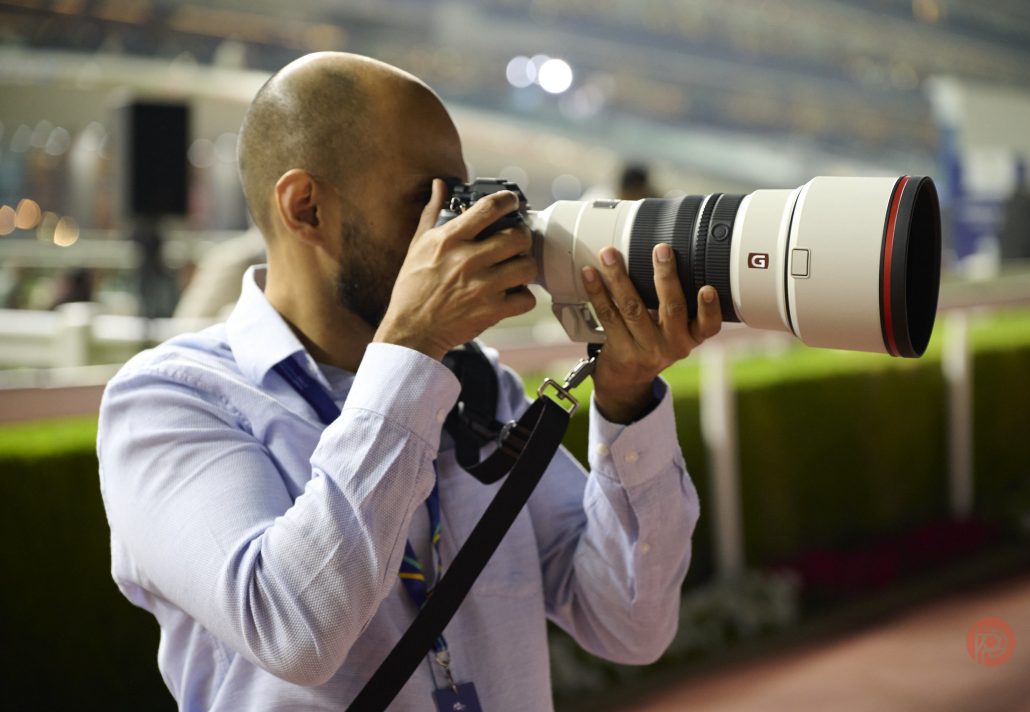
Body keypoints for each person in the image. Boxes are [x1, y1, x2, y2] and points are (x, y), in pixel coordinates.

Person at [97, 52, 723, 711]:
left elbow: (630, 625)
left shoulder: (476, 390)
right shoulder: (171, 402)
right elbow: (293, 628)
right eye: (428, 199)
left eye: (461, 196)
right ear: (305, 207)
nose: (456, 226)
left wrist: (624, 399)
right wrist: (412, 347)